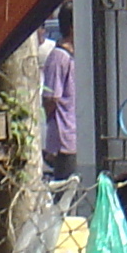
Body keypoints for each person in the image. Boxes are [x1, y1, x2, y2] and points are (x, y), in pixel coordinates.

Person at [40, 20, 78, 182]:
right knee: (65, 192)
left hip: (77, 136)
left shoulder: (77, 55)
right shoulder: (58, 57)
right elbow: (51, 98)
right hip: (65, 138)